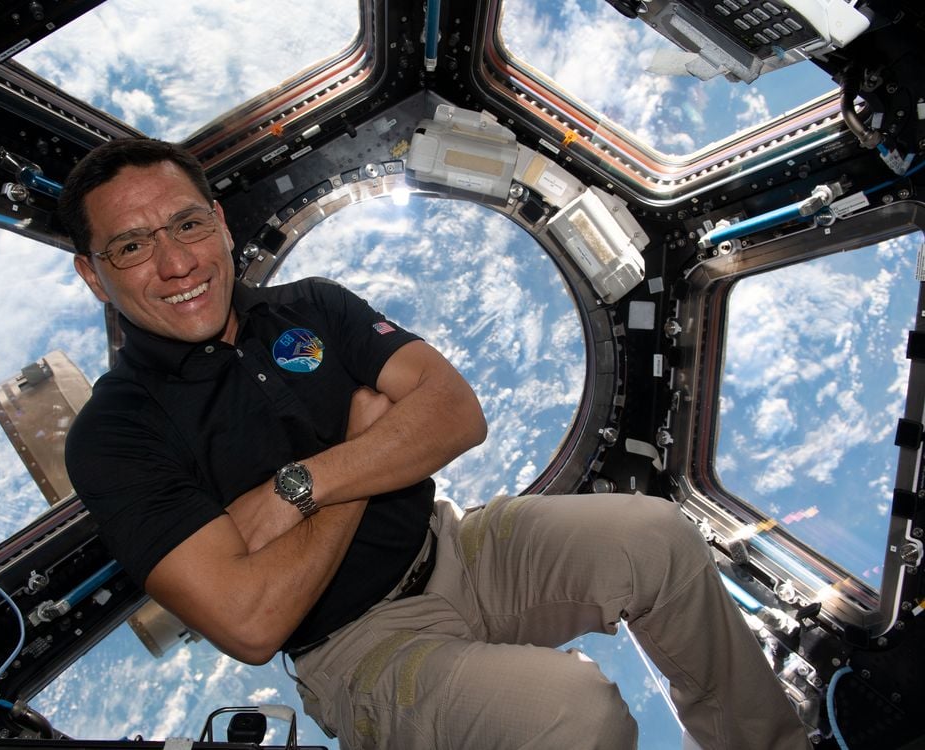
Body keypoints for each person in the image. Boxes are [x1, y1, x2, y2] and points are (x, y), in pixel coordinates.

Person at [60, 137, 812, 750]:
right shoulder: (115, 434)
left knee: (655, 536)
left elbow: (454, 412)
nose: (177, 262)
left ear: (220, 224)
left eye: (188, 225)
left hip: (458, 547)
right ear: (94, 276)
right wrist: (367, 448)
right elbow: (251, 621)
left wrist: (301, 486)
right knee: (577, 713)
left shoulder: (312, 304)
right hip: (356, 648)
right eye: (131, 245)